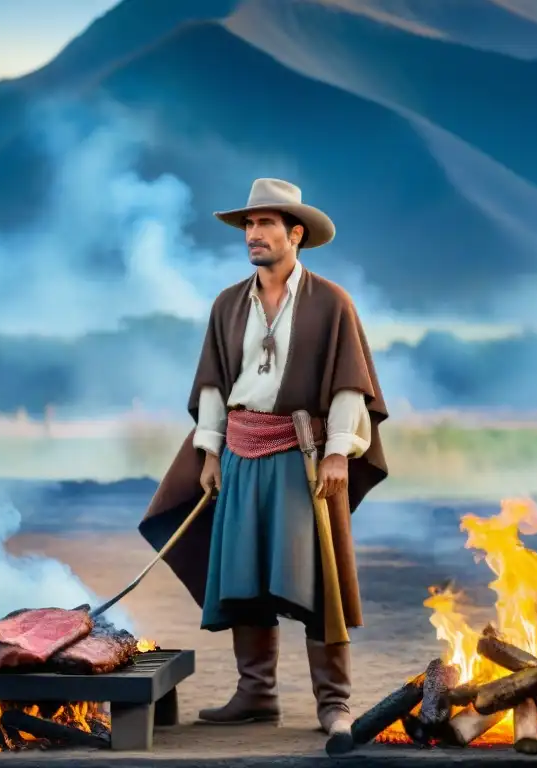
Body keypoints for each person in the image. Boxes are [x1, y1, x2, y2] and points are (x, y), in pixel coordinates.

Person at [138, 178, 389, 736]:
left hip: (304, 455)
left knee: (318, 574)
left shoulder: (331, 303)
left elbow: (350, 385)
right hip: (238, 452)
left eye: (265, 224)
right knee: (242, 574)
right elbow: (212, 385)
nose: (253, 234)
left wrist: (340, 452)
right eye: (249, 225)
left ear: (295, 234)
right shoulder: (229, 304)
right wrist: (208, 452)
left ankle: (333, 701)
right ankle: (256, 694)